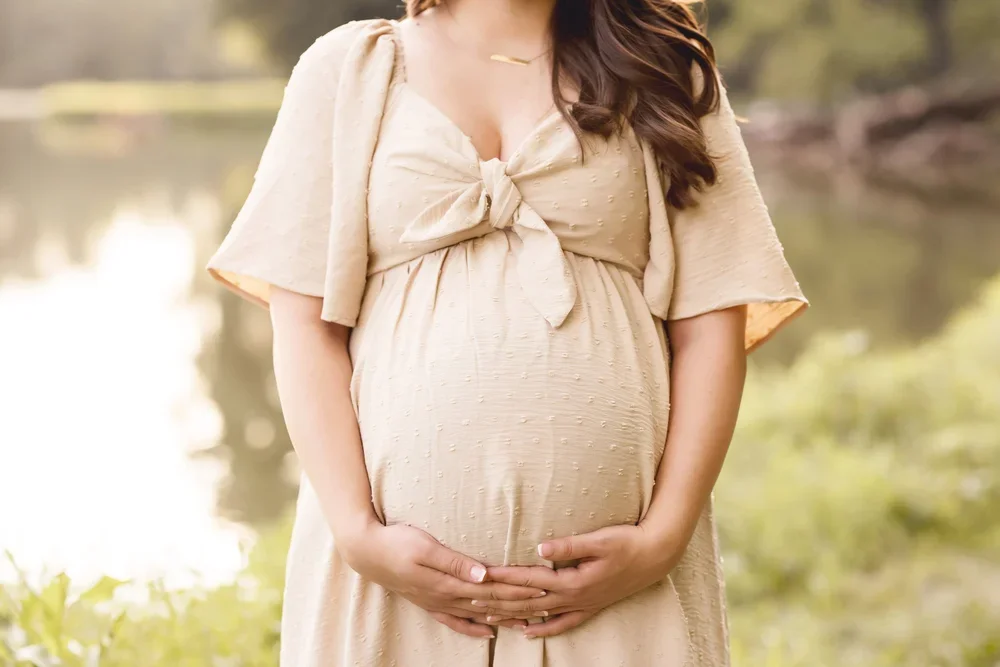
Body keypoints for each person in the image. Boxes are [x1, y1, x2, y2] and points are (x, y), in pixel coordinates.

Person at [207, 0, 807, 664]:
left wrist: (662, 538)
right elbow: (303, 324)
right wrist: (357, 533)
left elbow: (712, 326)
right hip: (388, 590)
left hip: (622, 597)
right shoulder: (349, 71)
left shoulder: (660, 70)